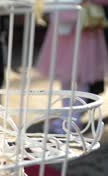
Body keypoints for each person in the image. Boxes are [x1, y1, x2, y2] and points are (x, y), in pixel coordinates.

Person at [37, 1, 108, 134]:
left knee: (82, 78)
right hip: (63, 30)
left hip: (85, 28)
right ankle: (67, 117)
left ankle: (74, 120)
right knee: (66, 80)